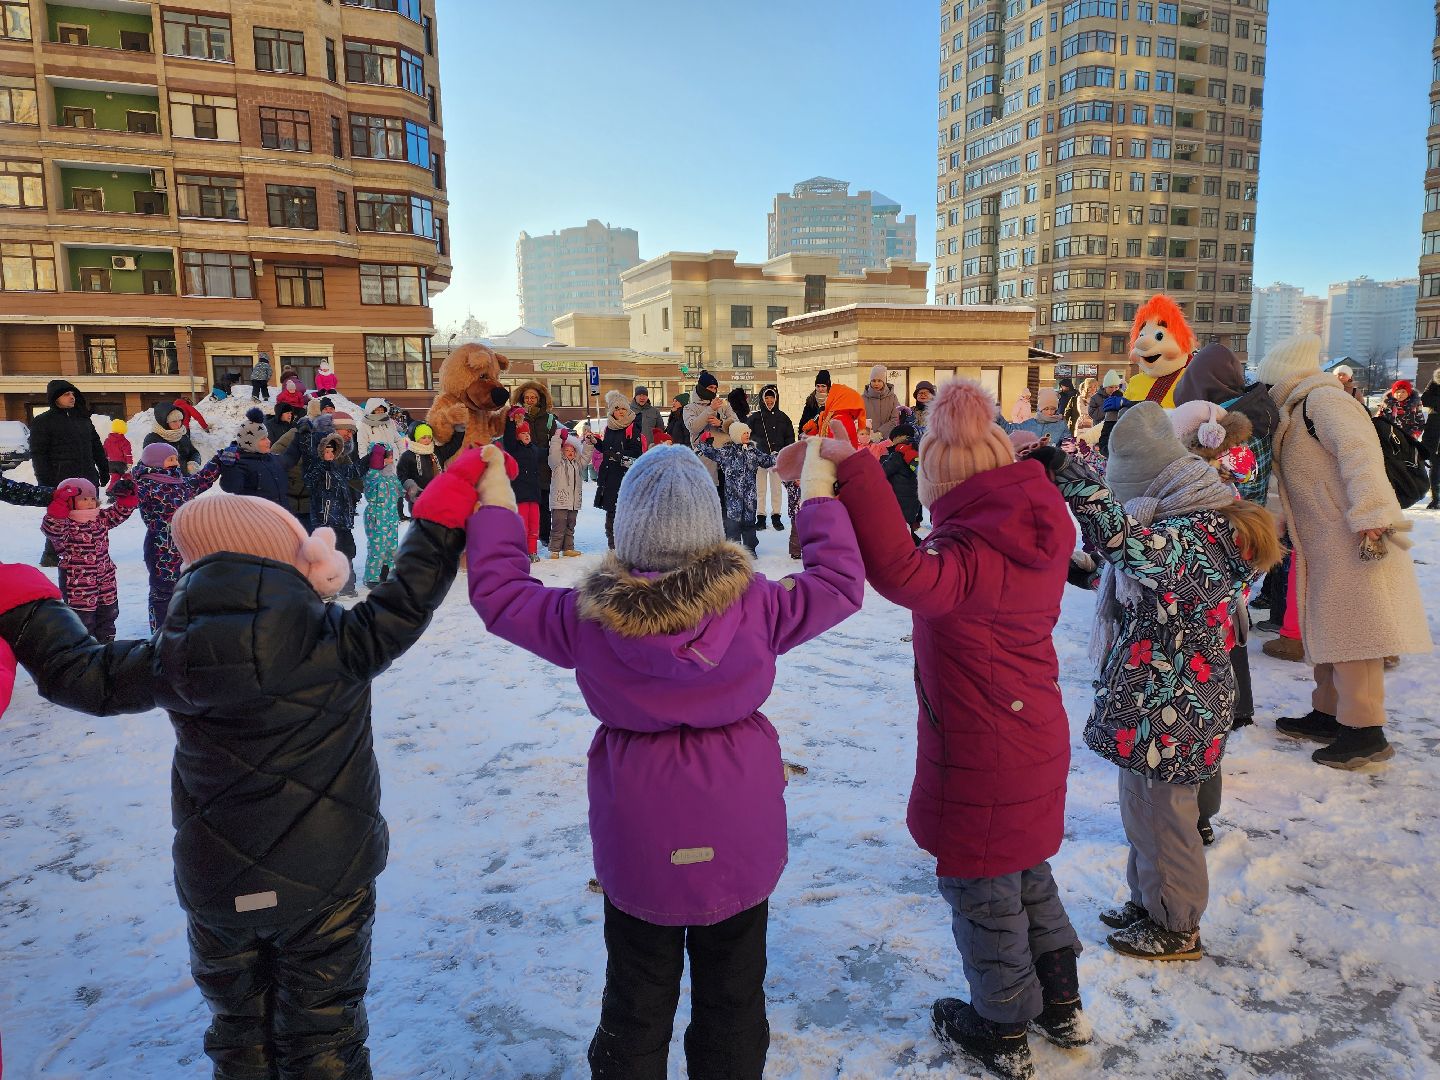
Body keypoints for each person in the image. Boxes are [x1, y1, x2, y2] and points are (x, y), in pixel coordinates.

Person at [0, 454, 481, 1080]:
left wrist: (24, 603)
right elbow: (411, 591)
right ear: (289, 558)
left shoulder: (169, 654)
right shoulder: (340, 640)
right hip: (328, 876)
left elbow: (79, 674)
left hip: (218, 881)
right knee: (324, 1032)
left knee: (239, 1033)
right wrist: (445, 505)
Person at [464, 439, 864, 1080]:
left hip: (639, 832)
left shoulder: (587, 618)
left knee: (635, 997)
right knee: (734, 996)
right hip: (737, 829)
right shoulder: (758, 605)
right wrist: (816, 483)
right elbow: (840, 583)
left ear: (627, 532)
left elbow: (501, 594)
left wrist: (494, 498)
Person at [821, 382, 1086, 1080]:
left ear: (944, 481)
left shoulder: (969, 562)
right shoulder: (1023, 533)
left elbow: (902, 570)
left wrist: (854, 471)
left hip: (985, 752)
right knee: (1028, 872)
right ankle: (1063, 1001)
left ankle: (1001, 1024)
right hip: (1034, 737)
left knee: (982, 890)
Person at [1043, 404, 1281, 963]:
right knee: (1141, 810)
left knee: (1167, 818)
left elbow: (1130, 547)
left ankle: (1176, 925)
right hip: (1155, 694)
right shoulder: (1180, 519)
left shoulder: (1204, 532)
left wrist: (1079, 489)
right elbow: (1121, 560)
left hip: (1178, 700)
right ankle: (1149, 901)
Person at [1259, 336, 1433, 768]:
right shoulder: (1294, 413)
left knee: (1357, 633)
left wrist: (1372, 515)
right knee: (1330, 627)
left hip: (1358, 536)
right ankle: (1329, 712)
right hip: (1326, 541)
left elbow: (1360, 455)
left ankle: (1364, 731)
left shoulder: (1323, 402)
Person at [135, 441, 232, 632]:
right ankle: (160, 635)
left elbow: (202, 479)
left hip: (186, 547)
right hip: (161, 550)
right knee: (163, 593)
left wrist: (219, 459)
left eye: (176, 459)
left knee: (187, 590)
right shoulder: (144, 485)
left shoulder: (181, 483)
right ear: (156, 462)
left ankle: (184, 633)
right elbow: (128, 495)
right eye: (171, 460)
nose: (176, 463)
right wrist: (123, 489)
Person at [42, 477, 139, 642]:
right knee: (82, 620)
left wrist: (126, 498)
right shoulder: (66, 524)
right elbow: (53, 530)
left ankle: (106, 646)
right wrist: (58, 508)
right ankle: (85, 652)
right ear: (69, 502)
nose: (89, 502)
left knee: (108, 614)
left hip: (105, 576)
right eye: (84, 499)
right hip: (78, 582)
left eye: (92, 498)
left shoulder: (100, 517)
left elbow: (118, 513)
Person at [31, 379, 109, 568]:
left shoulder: (83, 419)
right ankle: (51, 554)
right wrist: (44, 481)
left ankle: (90, 550)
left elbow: (96, 445)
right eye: (67, 394)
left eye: (73, 394)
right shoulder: (43, 421)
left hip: (88, 476)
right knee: (61, 516)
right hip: (61, 479)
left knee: (90, 514)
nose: (71, 397)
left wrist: (104, 468)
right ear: (55, 398)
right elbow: (38, 454)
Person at [696, 422, 777, 556]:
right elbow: (713, 453)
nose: (747, 435)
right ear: (736, 435)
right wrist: (705, 443)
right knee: (733, 525)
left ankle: (750, 549)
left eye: (748, 432)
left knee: (749, 524)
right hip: (733, 498)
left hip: (750, 497)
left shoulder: (753, 452)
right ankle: (733, 551)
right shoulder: (727, 452)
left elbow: (767, 460)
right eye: (744, 433)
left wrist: (778, 455)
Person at [588, 391, 645, 549]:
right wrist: (596, 442)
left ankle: (626, 545)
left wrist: (618, 456)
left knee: (624, 513)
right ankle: (613, 546)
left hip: (625, 478)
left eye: (623, 409)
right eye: (617, 408)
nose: (620, 411)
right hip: (610, 476)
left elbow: (636, 453)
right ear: (612, 410)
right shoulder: (610, 427)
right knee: (611, 512)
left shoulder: (632, 428)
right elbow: (606, 449)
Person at [514, 382, 559, 545]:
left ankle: (545, 536)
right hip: (523, 466)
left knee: (544, 503)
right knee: (525, 504)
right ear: (522, 398)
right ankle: (525, 537)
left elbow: (554, 441)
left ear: (539, 399)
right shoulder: (516, 416)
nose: (530, 400)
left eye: (533, 397)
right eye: (527, 397)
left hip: (543, 466)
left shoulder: (548, 418)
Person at [219, 409, 289, 506]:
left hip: (280, 516)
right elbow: (230, 487)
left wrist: (298, 436)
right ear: (250, 442)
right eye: (263, 438)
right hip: (258, 518)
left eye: (267, 437)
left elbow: (290, 458)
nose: (269, 441)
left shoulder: (269, 458)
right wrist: (228, 467)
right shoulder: (241, 463)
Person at [749, 384, 794, 531]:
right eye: (766, 398)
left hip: (776, 459)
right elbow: (748, 436)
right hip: (760, 459)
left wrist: (784, 453)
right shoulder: (755, 417)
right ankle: (760, 517)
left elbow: (789, 437)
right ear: (762, 399)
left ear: (776, 399)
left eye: (772, 398)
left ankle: (776, 516)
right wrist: (756, 449)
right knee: (760, 489)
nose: (769, 401)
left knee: (776, 489)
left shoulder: (783, 417)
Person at [683, 372, 738, 489]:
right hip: (705, 457)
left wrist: (722, 423)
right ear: (702, 387)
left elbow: (737, 425)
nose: (713, 391)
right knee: (709, 494)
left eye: (715, 388)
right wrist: (710, 409)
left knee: (727, 496)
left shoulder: (724, 405)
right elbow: (693, 427)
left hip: (726, 455)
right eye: (710, 387)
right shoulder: (690, 408)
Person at [503, 415, 544, 561]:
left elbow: (547, 452)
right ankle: (521, 552)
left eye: (528, 433)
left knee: (534, 526)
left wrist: (560, 441)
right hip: (520, 494)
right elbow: (508, 437)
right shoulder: (513, 448)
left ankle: (532, 551)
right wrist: (511, 421)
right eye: (523, 433)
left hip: (534, 494)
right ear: (517, 436)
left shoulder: (534, 449)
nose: (527, 435)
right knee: (522, 526)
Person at [363, 444, 402, 585]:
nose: (391, 460)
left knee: (392, 547)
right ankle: (372, 578)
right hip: (376, 516)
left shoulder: (391, 476)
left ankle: (388, 573)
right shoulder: (371, 475)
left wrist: (412, 490)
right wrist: (376, 464)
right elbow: (371, 490)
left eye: (392, 457)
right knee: (377, 546)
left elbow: (401, 490)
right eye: (388, 457)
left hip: (391, 516)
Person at [880, 422, 922, 542]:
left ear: (899, 437)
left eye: (893, 439)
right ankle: (919, 548)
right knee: (907, 529)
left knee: (901, 532)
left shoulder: (898, 455)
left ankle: (916, 551)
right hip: (913, 500)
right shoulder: (916, 451)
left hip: (899, 501)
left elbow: (883, 471)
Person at [547, 426, 585, 558]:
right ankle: (555, 549)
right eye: (566, 450)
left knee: (570, 525)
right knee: (558, 526)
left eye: (572, 450)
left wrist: (589, 444)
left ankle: (568, 548)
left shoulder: (577, 465)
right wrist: (557, 438)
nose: (569, 452)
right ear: (562, 451)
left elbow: (586, 456)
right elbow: (553, 452)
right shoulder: (557, 464)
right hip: (560, 501)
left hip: (573, 502)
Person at [143, 400, 206, 476]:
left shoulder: (182, 435)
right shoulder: (152, 439)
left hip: (184, 480)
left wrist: (193, 463)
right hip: (164, 482)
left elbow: (194, 452)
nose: (178, 424)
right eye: (174, 421)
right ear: (164, 422)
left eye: (180, 420)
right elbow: (148, 462)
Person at [399, 422, 444, 512]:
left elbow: (453, 446)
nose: (427, 440)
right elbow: (401, 474)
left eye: (429, 437)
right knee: (418, 522)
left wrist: (459, 430)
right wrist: (410, 486)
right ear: (416, 438)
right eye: (423, 437)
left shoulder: (435, 452)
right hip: (418, 497)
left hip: (436, 495)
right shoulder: (408, 455)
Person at [863, 365, 901, 438]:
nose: (876, 384)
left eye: (879, 381)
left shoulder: (892, 398)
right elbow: (859, 420)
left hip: (887, 439)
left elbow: (895, 419)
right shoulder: (863, 398)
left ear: (884, 382)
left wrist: (881, 433)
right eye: (873, 381)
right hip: (867, 439)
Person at [1422, 369, 1440, 509]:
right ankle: (1436, 498)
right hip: (1435, 428)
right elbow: (1425, 399)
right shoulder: (1436, 379)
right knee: (1435, 464)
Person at [103, 419, 132, 495]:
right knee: (128, 476)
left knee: (115, 478)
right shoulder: (124, 441)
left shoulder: (107, 441)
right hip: (121, 464)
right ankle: (132, 489)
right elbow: (127, 454)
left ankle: (110, 490)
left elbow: (104, 452)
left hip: (111, 464)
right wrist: (129, 463)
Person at [797, 370, 831, 434]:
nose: (820, 389)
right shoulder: (810, 403)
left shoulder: (833, 402)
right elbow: (802, 427)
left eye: (823, 386)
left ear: (828, 387)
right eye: (818, 386)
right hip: (812, 441)